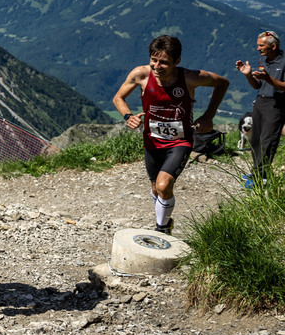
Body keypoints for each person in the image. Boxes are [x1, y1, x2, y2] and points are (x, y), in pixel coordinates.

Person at [113, 35, 229, 235]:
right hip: (151, 141)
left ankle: (162, 229)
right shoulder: (140, 74)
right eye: (154, 60)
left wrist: (209, 116)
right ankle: (165, 219)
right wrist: (128, 116)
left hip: (180, 141)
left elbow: (223, 83)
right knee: (156, 189)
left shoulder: (190, 77)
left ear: (177, 61)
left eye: (164, 62)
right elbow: (118, 97)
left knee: (164, 184)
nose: (157, 66)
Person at [235, 30, 285, 184]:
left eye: (261, 46)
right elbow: (257, 85)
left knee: (268, 140)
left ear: (273, 46)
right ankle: (257, 174)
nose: (258, 49)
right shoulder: (262, 61)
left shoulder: (284, 62)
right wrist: (248, 75)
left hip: (276, 104)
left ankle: (259, 177)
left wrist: (268, 79)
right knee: (255, 139)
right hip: (260, 101)